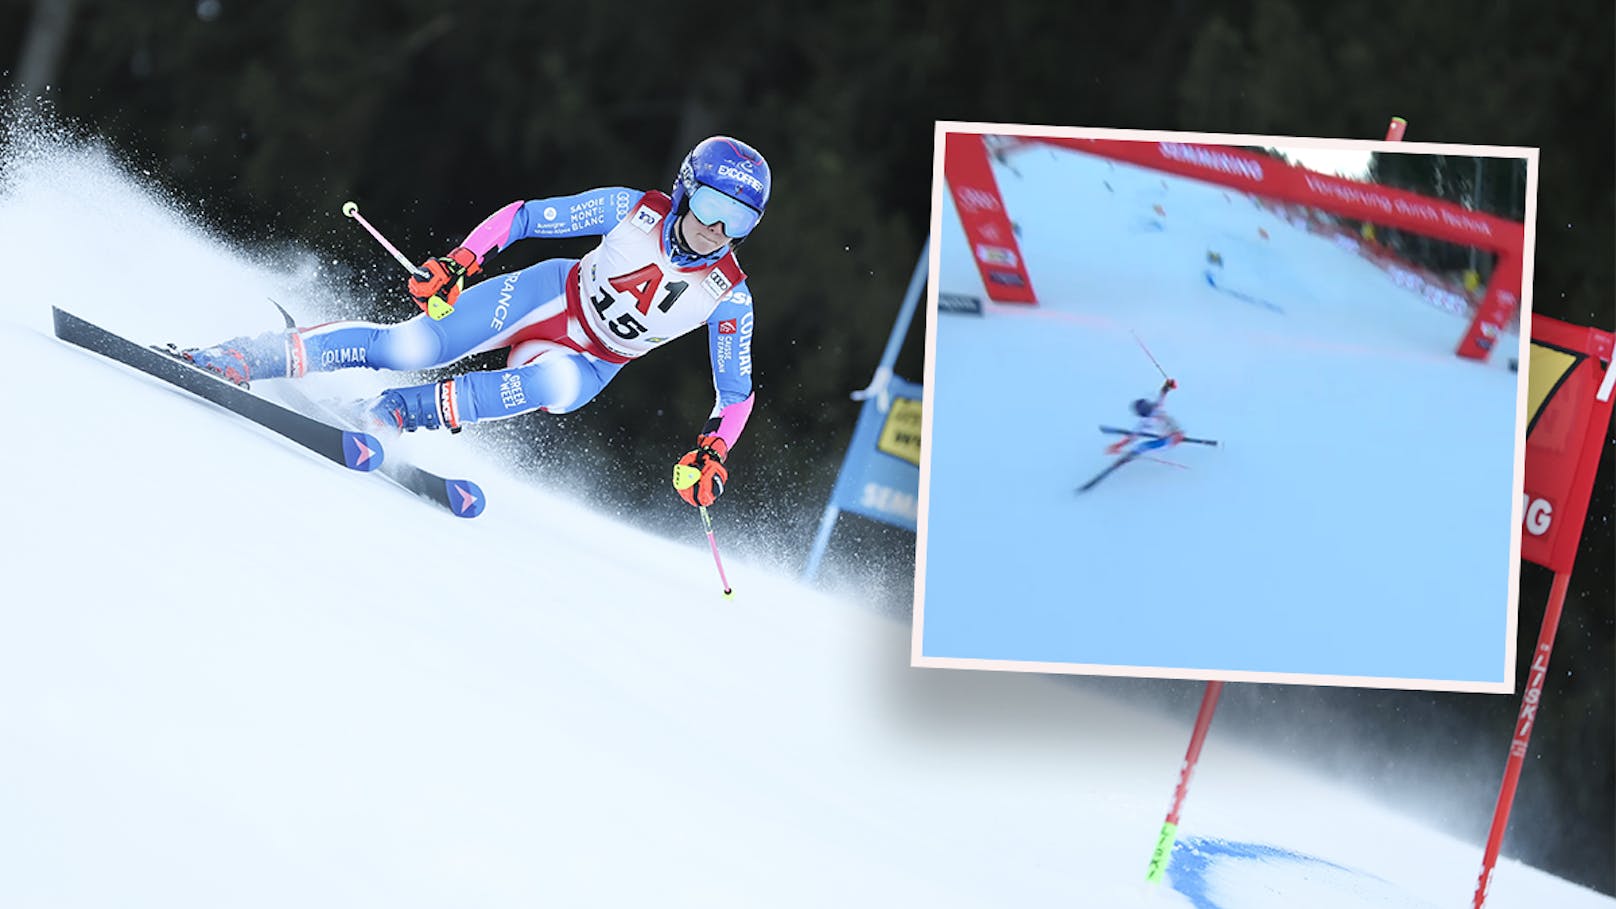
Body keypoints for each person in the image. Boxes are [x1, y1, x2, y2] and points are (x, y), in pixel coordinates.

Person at [175, 136, 770, 509]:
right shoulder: (631, 209)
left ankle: (393, 413)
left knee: (553, 388)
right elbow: (526, 217)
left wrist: (713, 450)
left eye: (738, 222)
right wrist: (462, 260)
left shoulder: (730, 297)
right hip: (547, 295)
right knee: (410, 346)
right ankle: (247, 356)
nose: (718, 231)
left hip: (590, 362)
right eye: (713, 208)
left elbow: (736, 392)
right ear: (686, 191)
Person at [1106, 378, 1184, 456]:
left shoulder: (1145, 421)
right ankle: (1133, 452)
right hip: (1177, 434)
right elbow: (1163, 393)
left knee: (1141, 447)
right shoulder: (1157, 407)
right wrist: (1168, 385)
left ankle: (1130, 455)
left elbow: (1132, 438)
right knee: (1145, 441)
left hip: (1169, 440)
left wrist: (1117, 446)